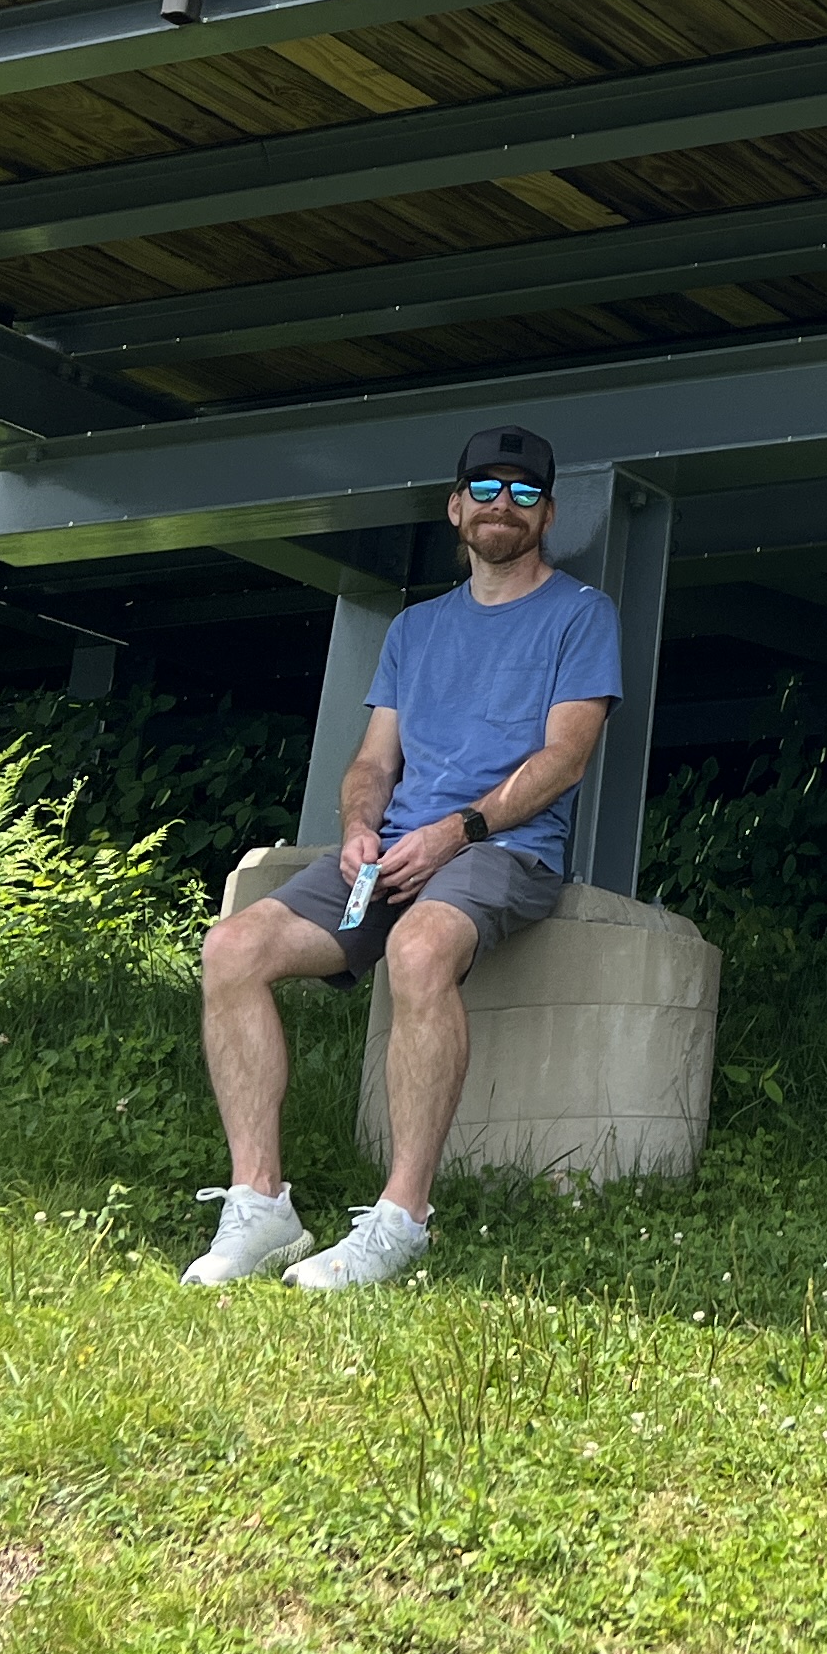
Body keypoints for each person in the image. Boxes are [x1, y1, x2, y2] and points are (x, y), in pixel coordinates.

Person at [185, 426, 619, 1291]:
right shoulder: (416, 629)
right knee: (231, 948)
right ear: (455, 508)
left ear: (549, 516)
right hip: (392, 853)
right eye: (485, 489)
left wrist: (456, 831)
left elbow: (565, 759)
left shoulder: (581, 614)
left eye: (525, 493)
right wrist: (359, 828)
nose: (503, 506)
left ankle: (401, 1220)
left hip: (502, 848)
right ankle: (261, 1205)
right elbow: (374, 763)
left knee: (418, 951)